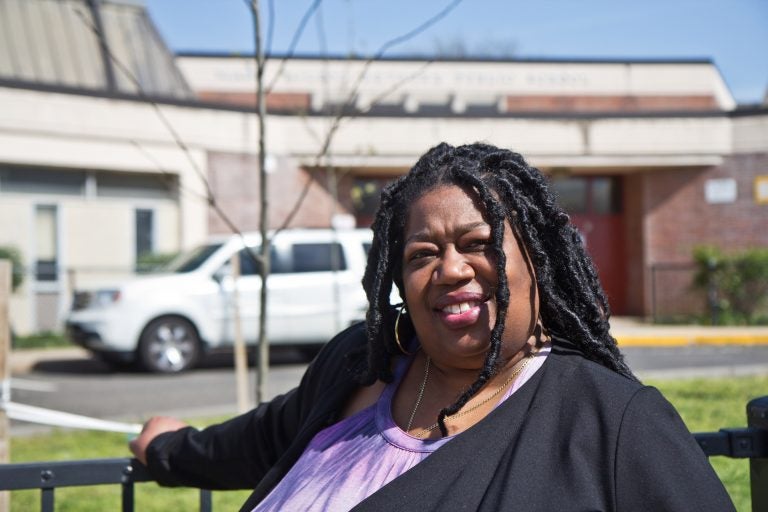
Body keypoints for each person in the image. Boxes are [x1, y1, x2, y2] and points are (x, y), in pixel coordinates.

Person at [130, 142, 735, 511]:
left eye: (479, 244)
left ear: (538, 264)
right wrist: (168, 450)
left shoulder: (610, 421)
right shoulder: (362, 365)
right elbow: (267, 438)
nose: (449, 269)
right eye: (422, 254)